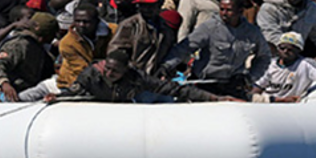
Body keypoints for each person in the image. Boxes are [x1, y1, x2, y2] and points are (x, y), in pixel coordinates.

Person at [160, 0, 271, 100]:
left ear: (240, 11)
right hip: (205, 84)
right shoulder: (209, 27)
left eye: (229, 10)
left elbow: (264, 56)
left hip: (233, 85)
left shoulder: (252, 32)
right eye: (222, 9)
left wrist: (250, 77)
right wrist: (167, 65)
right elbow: (184, 47)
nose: (224, 13)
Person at [46, 49, 239, 104]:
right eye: (108, 68)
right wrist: (57, 97)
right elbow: (74, 91)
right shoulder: (91, 75)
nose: (109, 73)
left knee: (162, 97)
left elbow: (174, 89)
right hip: (99, 101)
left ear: (125, 70)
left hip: (129, 101)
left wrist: (216, 98)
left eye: (115, 71)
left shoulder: (136, 77)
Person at [251, 31, 316, 102]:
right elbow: (256, 89)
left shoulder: (306, 64)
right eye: (282, 48)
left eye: (290, 49)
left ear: (299, 50)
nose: (285, 51)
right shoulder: (269, 65)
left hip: (292, 106)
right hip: (270, 102)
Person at [0, 17, 55, 102]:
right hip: (2, 91)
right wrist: (4, 83)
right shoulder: (18, 45)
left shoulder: (41, 51)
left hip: (24, 92)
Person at [109, 0, 176, 75]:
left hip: (156, 76)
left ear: (159, 5)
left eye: (150, 6)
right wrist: (130, 70)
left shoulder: (165, 28)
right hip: (132, 75)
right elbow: (115, 52)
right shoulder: (129, 25)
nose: (146, 9)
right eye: (143, 5)